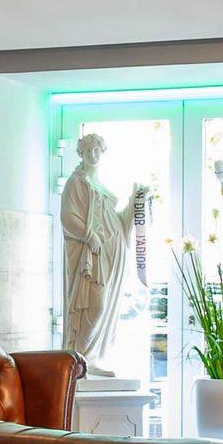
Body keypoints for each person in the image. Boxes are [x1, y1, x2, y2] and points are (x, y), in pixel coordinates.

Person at [60, 133, 149, 372]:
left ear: (103, 151)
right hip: (92, 256)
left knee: (106, 305)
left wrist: (136, 200)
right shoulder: (77, 182)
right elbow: (68, 217)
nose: (93, 155)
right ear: (80, 153)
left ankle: (94, 357)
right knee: (94, 306)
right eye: (88, 151)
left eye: (97, 150)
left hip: (111, 254)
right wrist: (89, 236)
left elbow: (117, 222)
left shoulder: (97, 183)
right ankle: (82, 360)